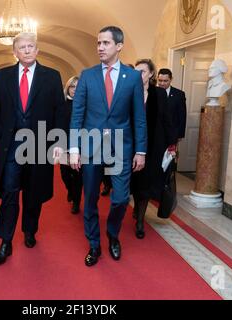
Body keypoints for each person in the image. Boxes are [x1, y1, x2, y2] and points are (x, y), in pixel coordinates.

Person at [0, 32, 66, 266]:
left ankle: (30, 230)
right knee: (9, 191)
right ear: (15, 52)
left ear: (37, 50)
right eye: (22, 47)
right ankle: (6, 241)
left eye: (31, 46)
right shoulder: (3, 76)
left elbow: (59, 112)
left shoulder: (51, 76)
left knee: (34, 191)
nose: (27, 50)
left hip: (40, 145)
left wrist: (60, 143)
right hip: (11, 146)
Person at [70, 26, 147, 267]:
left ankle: (113, 234)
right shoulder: (88, 75)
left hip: (121, 148)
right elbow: (77, 114)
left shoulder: (132, 77)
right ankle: (94, 244)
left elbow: (139, 117)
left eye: (106, 43)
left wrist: (140, 150)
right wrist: (74, 149)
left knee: (121, 199)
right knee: (90, 199)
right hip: (91, 147)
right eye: (98, 43)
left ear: (119, 46)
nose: (100, 47)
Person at [131, 60, 178, 238]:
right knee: (134, 181)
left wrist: (171, 144)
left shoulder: (158, 93)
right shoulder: (130, 91)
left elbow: (167, 120)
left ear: (151, 74)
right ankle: (136, 204)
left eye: (142, 71)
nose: (138, 75)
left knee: (145, 182)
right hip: (131, 145)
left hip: (153, 146)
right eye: (136, 72)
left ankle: (140, 221)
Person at [61, 76, 83, 214]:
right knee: (65, 175)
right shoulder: (61, 103)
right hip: (63, 144)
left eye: (77, 86)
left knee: (77, 175)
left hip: (79, 145)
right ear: (68, 88)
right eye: (72, 86)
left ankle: (76, 201)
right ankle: (70, 190)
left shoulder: (85, 104)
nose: (75, 89)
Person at [157, 68, 187, 142]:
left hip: (172, 133)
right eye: (160, 80)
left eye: (165, 81)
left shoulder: (179, 94)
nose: (162, 83)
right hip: (155, 133)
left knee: (170, 154)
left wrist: (180, 134)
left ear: (171, 79)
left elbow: (182, 115)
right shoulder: (151, 93)